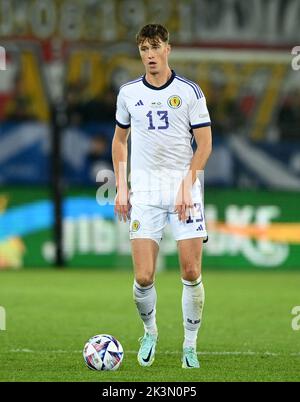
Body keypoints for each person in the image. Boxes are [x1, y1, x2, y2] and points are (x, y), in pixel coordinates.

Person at [112, 24, 212, 369]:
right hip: (145, 191)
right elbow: (119, 141)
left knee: (190, 269)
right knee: (143, 277)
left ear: (168, 48)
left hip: (184, 190)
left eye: (155, 47)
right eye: (143, 49)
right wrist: (122, 187)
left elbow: (206, 144)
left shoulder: (189, 92)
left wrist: (187, 185)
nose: (150, 55)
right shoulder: (128, 93)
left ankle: (190, 345)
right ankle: (150, 331)